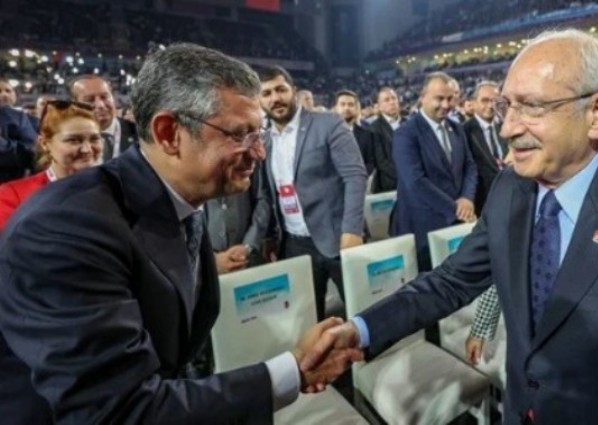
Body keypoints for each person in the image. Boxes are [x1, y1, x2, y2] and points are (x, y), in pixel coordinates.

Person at [304, 29, 598, 424]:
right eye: (506, 106)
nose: (508, 128)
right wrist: (358, 331)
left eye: (531, 107)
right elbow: (451, 281)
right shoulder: (511, 186)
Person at [0, 43, 360, 424]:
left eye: (259, 134)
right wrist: (291, 372)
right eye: (240, 134)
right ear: (170, 133)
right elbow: (123, 410)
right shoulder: (64, 231)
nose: (258, 153)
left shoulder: (182, 199)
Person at [257, 66, 366, 320]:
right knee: (309, 319)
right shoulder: (265, 140)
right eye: (267, 93)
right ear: (259, 100)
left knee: (360, 313)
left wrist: (352, 230)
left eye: (281, 90)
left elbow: (355, 176)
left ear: (293, 91)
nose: (275, 98)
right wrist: (269, 236)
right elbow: (269, 193)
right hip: (293, 244)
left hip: (338, 237)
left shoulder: (328, 123)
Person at [390, 71, 478, 272]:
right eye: (439, 98)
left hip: (457, 224)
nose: (446, 105)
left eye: (450, 98)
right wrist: (456, 209)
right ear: (423, 97)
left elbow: (470, 166)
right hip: (423, 227)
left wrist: (467, 198)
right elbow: (415, 181)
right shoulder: (406, 133)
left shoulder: (457, 129)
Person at [0, 100, 102, 231]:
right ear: (44, 143)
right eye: (73, 140)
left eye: (94, 139)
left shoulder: (116, 189)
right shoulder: (13, 195)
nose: (87, 149)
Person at [463, 80, 508, 215]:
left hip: (510, 195)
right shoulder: (465, 131)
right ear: (473, 103)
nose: (490, 106)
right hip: (483, 202)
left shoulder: (506, 127)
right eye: (485, 100)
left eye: (494, 101)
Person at [69, 75, 138, 161]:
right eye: (90, 100)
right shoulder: (64, 139)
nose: (100, 105)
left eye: (105, 97)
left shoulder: (139, 134)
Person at [368, 87, 404, 193]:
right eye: (387, 100)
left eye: (394, 98)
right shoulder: (373, 129)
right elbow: (381, 161)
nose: (392, 102)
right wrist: (404, 175)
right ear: (379, 106)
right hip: (390, 186)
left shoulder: (410, 123)